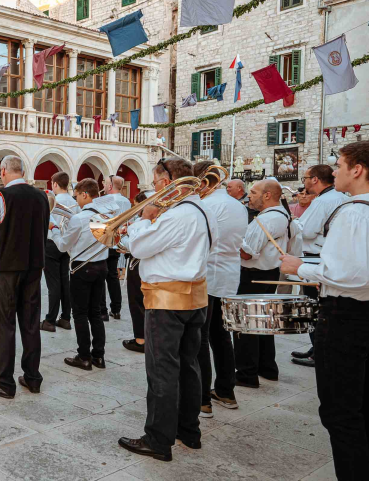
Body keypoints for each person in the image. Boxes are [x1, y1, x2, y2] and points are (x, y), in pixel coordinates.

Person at [280, 141, 369, 480]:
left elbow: (356, 274)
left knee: (341, 413)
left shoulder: (355, 212)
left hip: (348, 317)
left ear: (357, 170)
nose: (336, 171)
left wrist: (301, 268)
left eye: (340, 165)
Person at [118, 158, 217, 463]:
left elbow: (139, 247)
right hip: (194, 298)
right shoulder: (202, 209)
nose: (155, 188)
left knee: (162, 371)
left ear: (167, 182)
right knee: (188, 367)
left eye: (155, 182)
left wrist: (145, 218)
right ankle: (189, 430)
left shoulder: (177, 214)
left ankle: (158, 439)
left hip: (167, 301)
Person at [0, 155, 49, 398]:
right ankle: (33, 377)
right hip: (33, 268)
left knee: (4, 324)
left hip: (5, 268)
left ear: (3, 171)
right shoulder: (42, 196)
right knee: (30, 323)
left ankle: (4, 382)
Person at [194, 160, 249, 416]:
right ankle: (226, 391)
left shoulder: (207, 205)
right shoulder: (237, 205)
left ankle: (202, 398)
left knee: (200, 337)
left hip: (208, 274)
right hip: (228, 274)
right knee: (221, 336)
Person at [234, 179, 298, 389]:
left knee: (246, 325)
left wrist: (230, 240)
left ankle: (247, 373)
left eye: (253, 192)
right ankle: (267, 367)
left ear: (267, 195)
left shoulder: (268, 219)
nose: (249, 196)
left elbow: (248, 253)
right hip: (268, 272)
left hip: (254, 274)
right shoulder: (282, 215)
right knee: (263, 323)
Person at [55, 178, 120, 370]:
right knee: (95, 313)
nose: (76, 200)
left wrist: (54, 231)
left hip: (82, 268)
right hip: (101, 266)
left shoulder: (79, 218)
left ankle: (83, 356)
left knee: (80, 314)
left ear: (85, 194)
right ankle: (98, 356)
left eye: (76, 196)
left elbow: (63, 246)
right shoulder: (105, 216)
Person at [292, 164, 350, 368]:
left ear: (315, 179)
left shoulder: (323, 200)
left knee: (313, 308)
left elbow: (307, 231)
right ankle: (317, 347)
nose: (304, 182)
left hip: (315, 256)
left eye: (305, 178)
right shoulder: (342, 197)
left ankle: (319, 351)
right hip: (328, 255)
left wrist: (294, 222)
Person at [42, 172, 74, 332]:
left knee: (53, 284)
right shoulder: (74, 202)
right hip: (67, 244)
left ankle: (50, 320)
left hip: (52, 243)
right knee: (64, 282)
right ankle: (66, 318)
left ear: (55, 184)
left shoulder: (51, 200)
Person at [122, 191, 152, 354]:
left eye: (136, 206)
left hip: (137, 263)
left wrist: (123, 239)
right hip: (145, 264)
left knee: (136, 301)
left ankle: (141, 339)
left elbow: (135, 245)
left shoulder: (143, 222)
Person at [101, 175, 132, 322]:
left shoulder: (104, 200)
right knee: (113, 277)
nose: (104, 186)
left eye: (105, 183)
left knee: (101, 278)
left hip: (104, 243)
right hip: (117, 243)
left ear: (110, 186)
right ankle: (116, 309)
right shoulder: (126, 201)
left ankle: (102, 311)